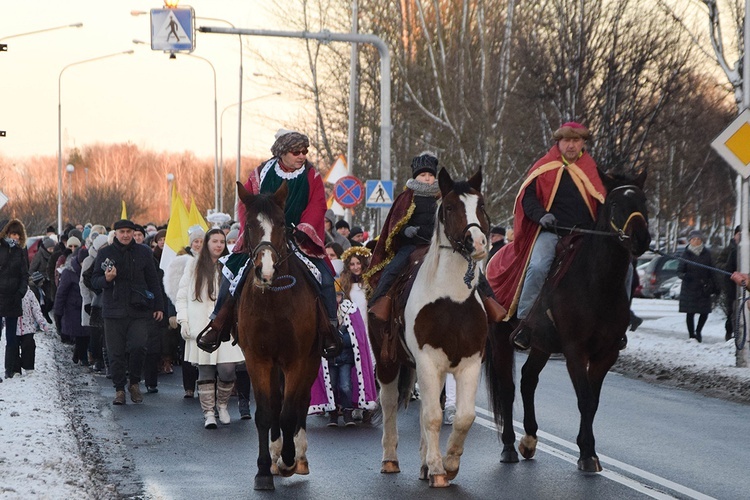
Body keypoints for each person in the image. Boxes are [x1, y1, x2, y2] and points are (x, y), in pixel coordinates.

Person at [196, 130, 340, 356]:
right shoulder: (260, 173)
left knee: (326, 279)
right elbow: (246, 204)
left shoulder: (312, 176)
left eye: (305, 151)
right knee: (231, 274)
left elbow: (318, 204)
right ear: (283, 152)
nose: (302, 155)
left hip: (298, 239)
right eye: (296, 152)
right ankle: (218, 324)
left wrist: (304, 229)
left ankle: (330, 328)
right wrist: (252, 234)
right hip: (263, 238)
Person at [488, 122, 607, 350]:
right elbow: (528, 198)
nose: (571, 146)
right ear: (558, 143)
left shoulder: (591, 170)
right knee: (538, 266)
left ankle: (614, 322)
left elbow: (602, 202)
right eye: (566, 141)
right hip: (552, 233)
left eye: (576, 141)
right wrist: (541, 215)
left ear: (583, 143)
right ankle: (525, 323)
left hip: (586, 235)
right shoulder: (545, 166)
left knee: (620, 267)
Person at [366, 152, 505, 322]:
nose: (427, 178)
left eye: (430, 175)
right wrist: (406, 230)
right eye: (423, 175)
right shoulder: (407, 197)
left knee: (473, 269)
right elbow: (395, 224)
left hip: (441, 245)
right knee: (393, 269)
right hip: (413, 246)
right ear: (416, 177)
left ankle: (490, 302)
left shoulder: (445, 198)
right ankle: (379, 302)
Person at [176, 228, 245, 428]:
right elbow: (182, 295)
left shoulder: (230, 265)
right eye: (214, 241)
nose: (218, 245)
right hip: (201, 326)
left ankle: (222, 405)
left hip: (225, 327)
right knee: (205, 371)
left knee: (227, 371)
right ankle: (208, 413)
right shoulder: (194, 265)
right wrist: (184, 320)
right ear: (207, 243)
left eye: (221, 242)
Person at [91, 219, 164, 405]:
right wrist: (107, 279)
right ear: (115, 233)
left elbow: (154, 281)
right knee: (115, 352)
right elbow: (94, 281)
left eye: (128, 232)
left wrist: (158, 306)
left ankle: (134, 383)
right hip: (113, 310)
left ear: (134, 233)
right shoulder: (105, 253)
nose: (125, 235)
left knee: (139, 346)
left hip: (138, 309)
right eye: (121, 231)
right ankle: (119, 389)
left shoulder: (144, 252)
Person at [310, 246, 378, 425]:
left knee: (368, 368)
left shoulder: (370, 285)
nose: (356, 267)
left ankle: (365, 407)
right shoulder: (344, 286)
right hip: (352, 332)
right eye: (352, 264)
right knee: (351, 371)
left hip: (368, 333)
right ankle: (349, 406)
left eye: (358, 264)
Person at [0, 219, 29, 380]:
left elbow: (24, 275)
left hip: (14, 297)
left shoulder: (20, 252)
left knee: (11, 336)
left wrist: (20, 293)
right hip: (1, 296)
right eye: (13, 234)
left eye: (18, 234)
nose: (15, 237)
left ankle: (9, 369)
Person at [677, 230, 716, 343]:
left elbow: (712, 270)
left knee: (704, 312)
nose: (696, 241)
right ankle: (691, 335)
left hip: (703, 288)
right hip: (689, 288)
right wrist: (685, 276)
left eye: (698, 239)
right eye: (694, 239)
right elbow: (679, 271)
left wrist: (713, 285)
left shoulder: (707, 253)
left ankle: (698, 331)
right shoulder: (685, 254)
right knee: (690, 312)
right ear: (690, 241)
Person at [54, 247, 88, 366]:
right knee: (79, 334)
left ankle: (80, 355)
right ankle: (81, 357)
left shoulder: (89, 270)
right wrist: (58, 312)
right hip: (73, 307)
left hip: (86, 306)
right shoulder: (69, 272)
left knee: (86, 334)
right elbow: (61, 293)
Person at [17, 286, 53, 374]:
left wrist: (42, 322)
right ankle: (15, 368)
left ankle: (28, 366)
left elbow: (36, 309)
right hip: (14, 326)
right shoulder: (10, 292)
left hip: (28, 326)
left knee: (28, 345)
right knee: (13, 348)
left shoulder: (30, 293)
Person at [718, 226, 740, 341]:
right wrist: (726, 269)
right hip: (731, 284)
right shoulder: (730, 250)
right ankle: (730, 332)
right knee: (731, 311)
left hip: (744, 283)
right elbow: (720, 264)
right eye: (738, 234)